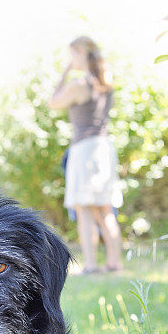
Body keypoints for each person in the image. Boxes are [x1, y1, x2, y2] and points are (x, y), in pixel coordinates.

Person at [49, 36, 123, 273]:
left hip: (85, 151)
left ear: (81, 54)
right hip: (104, 147)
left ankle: (90, 264)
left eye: (73, 55)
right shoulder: (105, 81)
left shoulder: (78, 85)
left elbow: (53, 102)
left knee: (84, 209)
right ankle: (115, 262)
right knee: (104, 209)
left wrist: (64, 72)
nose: (71, 60)